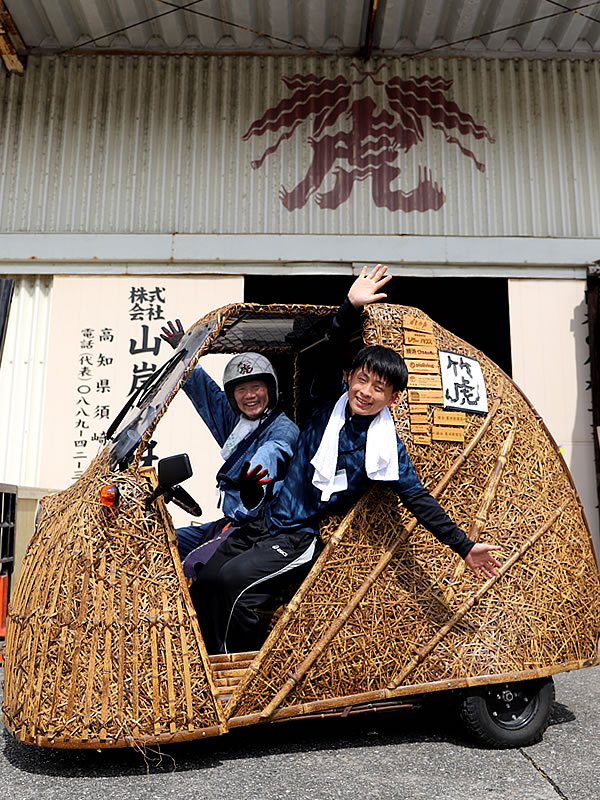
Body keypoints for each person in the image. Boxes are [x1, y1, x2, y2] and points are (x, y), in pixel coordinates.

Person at [190, 266, 502, 654]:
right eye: (363, 380)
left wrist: (464, 546)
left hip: (296, 536)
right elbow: (330, 347)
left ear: (393, 398)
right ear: (351, 376)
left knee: (235, 585)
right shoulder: (326, 403)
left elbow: (419, 499)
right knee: (205, 581)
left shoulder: (384, 450)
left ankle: (238, 674)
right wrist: (349, 307)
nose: (366, 392)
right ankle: (207, 662)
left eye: (380, 388)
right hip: (263, 521)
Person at [160, 320, 300, 577]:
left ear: (270, 389)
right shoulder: (240, 425)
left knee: (194, 565)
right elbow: (206, 395)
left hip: (258, 528)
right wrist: (185, 351)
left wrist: (254, 482)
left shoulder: (283, 429)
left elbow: (272, 452)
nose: (250, 395)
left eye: (256, 387)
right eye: (241, 389)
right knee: (165, 543)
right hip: (231, 522)